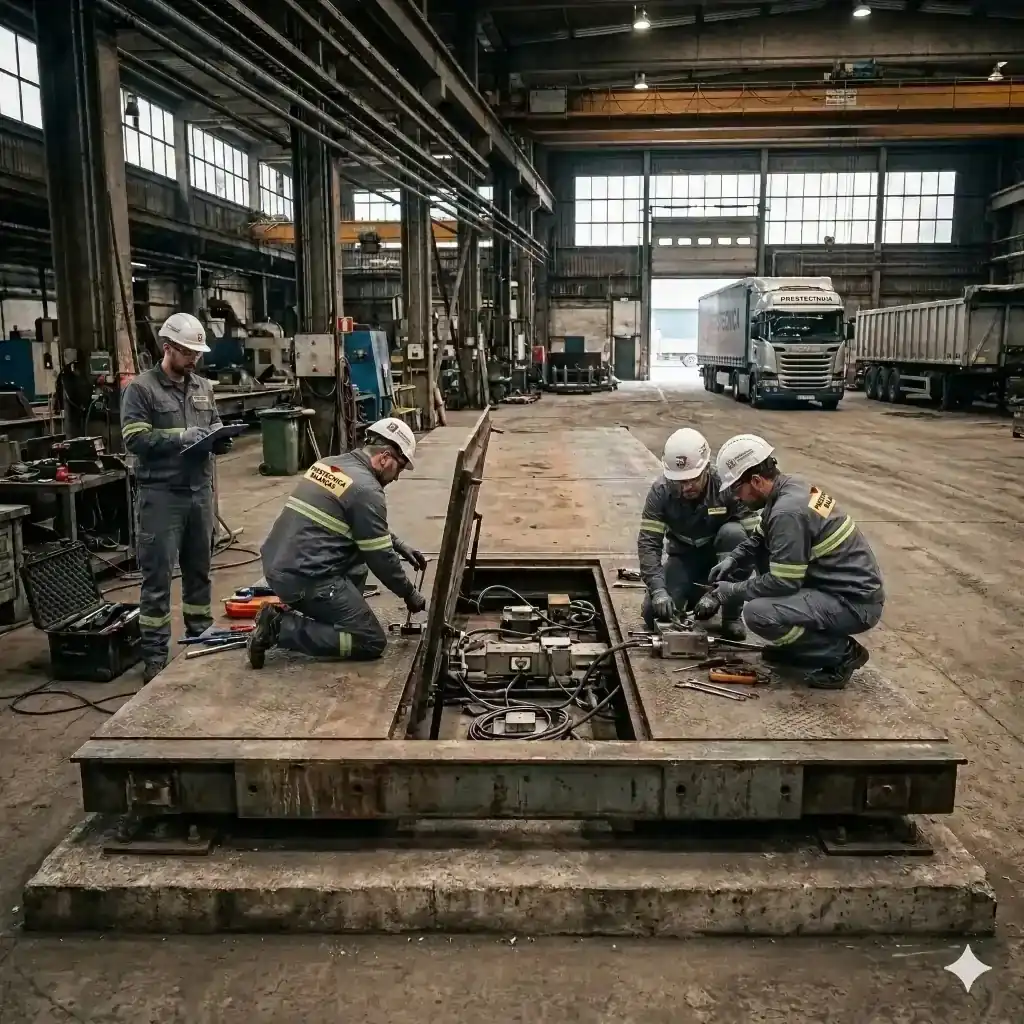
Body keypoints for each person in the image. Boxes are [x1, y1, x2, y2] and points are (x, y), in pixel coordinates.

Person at [698, 433, 885, 689]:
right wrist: (734, 558)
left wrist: (729, 592)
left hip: (853, 603)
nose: (736, 498)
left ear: (755, 480)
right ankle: (800, 648)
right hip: (839, 586)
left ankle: (840, 653)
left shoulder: (787, 513)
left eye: (736, 489)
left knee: (757, 613)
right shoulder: (794, 486)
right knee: (766, 561)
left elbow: (785, 581)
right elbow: (761, 537)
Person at [247, 417, 428, 669]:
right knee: (370, 640)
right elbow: (381, 559)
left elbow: (359, 521)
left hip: (279, 564)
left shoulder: (329, 464)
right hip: (305, 578)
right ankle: (279, 628)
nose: (396, 477)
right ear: (385, 457)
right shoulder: (367, 490)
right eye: (399, 467)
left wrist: (397, 543)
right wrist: (409, 593)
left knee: (358, 565)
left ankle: (336, 614)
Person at [121, 312, 230, 683]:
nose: (194, 358)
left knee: (199, 571)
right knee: (157, 579)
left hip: (199, 494)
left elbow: (213, 423)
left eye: (197, 352)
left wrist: (220, 438)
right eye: (187, 352)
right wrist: (180, 438)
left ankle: (200, 634)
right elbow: (134, 439)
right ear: (168, 349)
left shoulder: (202, 387)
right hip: (162, 496)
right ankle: (154, 654)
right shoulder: (141, 389)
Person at [637, 427, 758, 640]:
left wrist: (722, 593)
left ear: (707, 468)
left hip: (723, 565)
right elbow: (648, 544)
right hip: (683, 560)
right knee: (652, 615)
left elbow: (754, 543)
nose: (687, 487)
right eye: (680, 481)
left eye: (693, 479)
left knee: (734, 533)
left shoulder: (727, 487)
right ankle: (690, 599)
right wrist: (658, 591)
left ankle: (731, 616)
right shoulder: (660, 492)